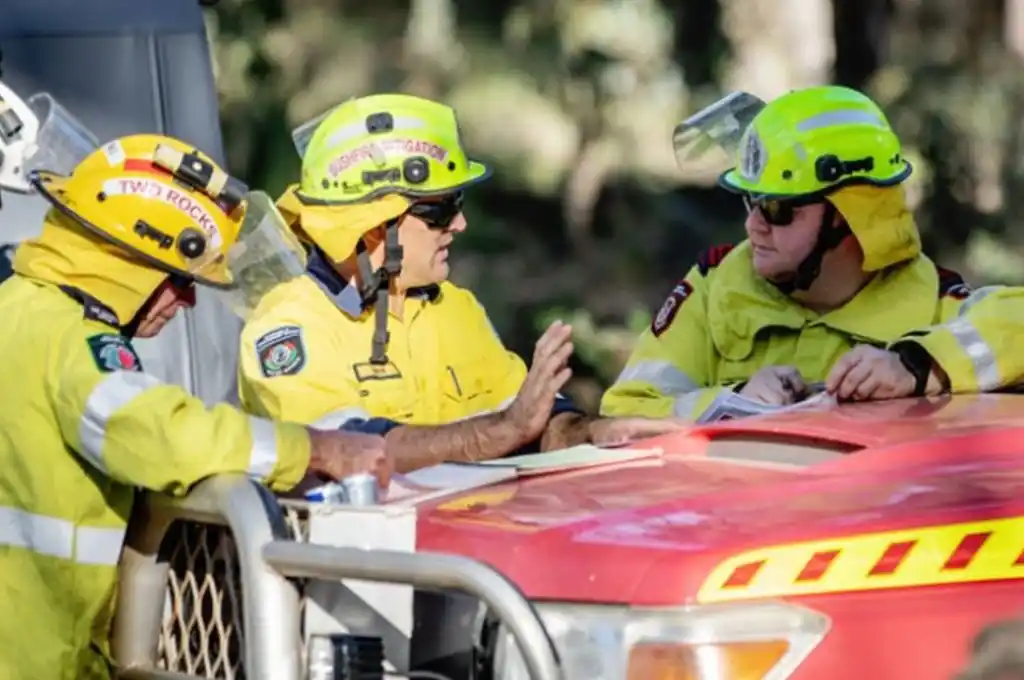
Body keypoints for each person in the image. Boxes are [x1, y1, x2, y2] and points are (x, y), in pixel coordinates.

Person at [0, 90, 391, 680]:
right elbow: (159, 435)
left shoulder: (18, 308)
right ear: (127, 263)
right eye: (179, 280)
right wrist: (315, 448)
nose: (184, 303)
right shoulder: (71, 343)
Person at [236, 93, 683, 471]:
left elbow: (526, 416)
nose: (461, 224)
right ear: (372, 226)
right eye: (440, 211)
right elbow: (351, 451)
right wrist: (501, 431)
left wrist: (589, 432)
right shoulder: (288, 325)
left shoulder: (454, 308)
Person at [600, 85, 1024, 422]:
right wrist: (727, 404)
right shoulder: (715, 286)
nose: (753, 226)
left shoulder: (934, 305)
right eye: (751, 202)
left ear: (850, 216)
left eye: (778, 209)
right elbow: (622, 414)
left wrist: (916, 365)